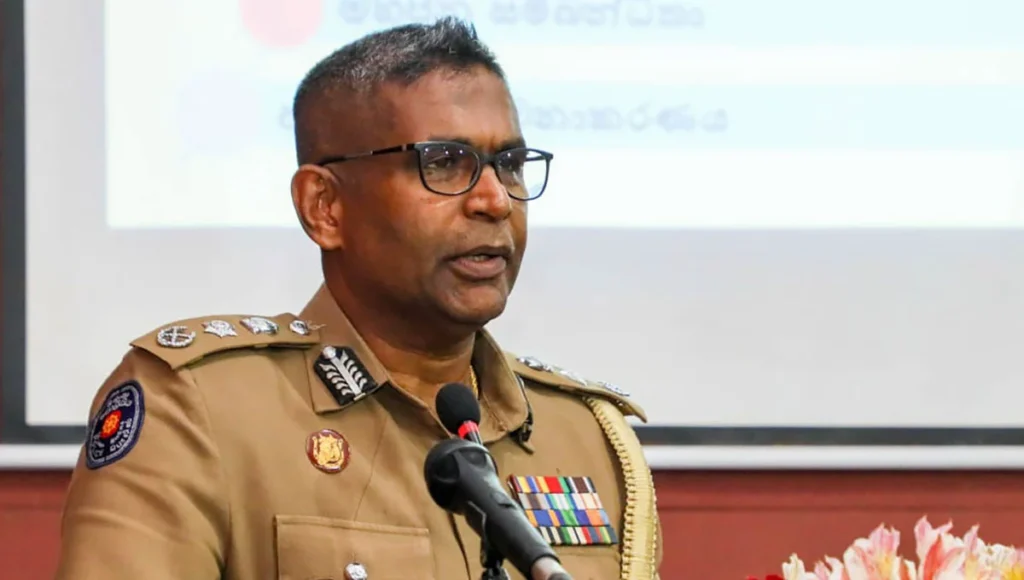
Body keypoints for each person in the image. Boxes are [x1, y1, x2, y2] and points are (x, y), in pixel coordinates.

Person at [56, 17, 662, 580]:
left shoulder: (585, 435)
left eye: (509, 164)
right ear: (325, 206)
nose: (495, 200)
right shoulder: (200, 410)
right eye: (444, 163)